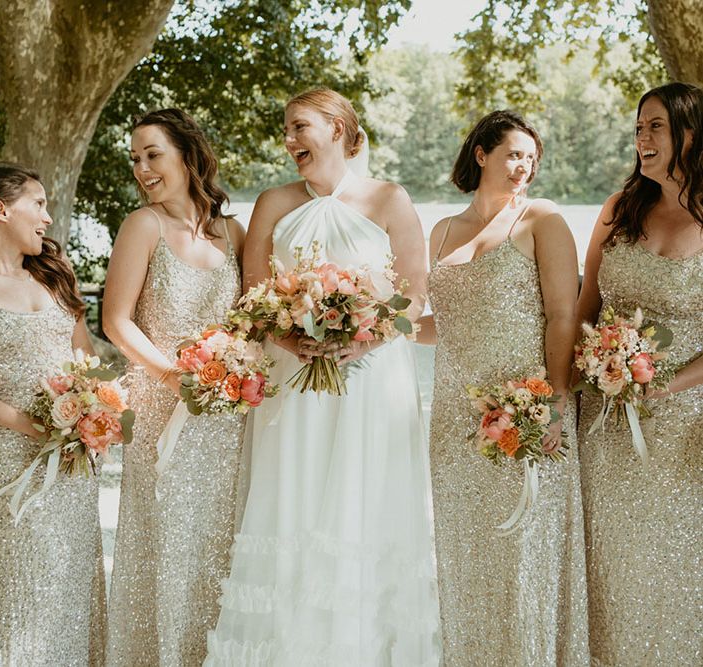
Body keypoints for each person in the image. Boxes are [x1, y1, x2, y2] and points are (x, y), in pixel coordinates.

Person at [203, 88, 440, 665]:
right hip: (293, 373)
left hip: (373, 378)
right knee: (294, 494)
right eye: (285, 130)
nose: (289, 141)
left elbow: (412, 294)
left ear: (338, 128)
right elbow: (254, 292)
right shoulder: (273, 201)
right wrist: (292, 337)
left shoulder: (388, 198)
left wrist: (359, 337)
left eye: (299, 127)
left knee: (367, 497)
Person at [420, 110, 589, 665]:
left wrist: (554, 403)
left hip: (527, 414)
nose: (524, 167)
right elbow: (438, 324)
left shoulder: (541, 219)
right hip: (453, 419)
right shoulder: (441, 231)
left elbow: (563, 316)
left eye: (532, 160)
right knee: (467, 557)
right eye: (514, 154)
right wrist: (369, 327)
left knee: (523, 558)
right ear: (481, 154)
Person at [103, 109, 245, 666]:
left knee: (220, 543)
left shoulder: (233, 232)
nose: (142, 168)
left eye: (152, 154)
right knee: (165, 544)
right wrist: (172, 376)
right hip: (163, 407)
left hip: (226, 416)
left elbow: (251, 319)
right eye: (135, 159)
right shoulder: (143, 226)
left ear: (188, 155)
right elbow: (117, 321)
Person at [576, 81, 703, 664]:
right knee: (606, 558)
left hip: (680, 429)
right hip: (600, 422)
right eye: (638, 127)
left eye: (655, 126)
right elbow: (582, 309)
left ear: (691, 132)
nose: (641, 138)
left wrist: (660, 384)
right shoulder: (618, 209)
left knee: (673, 564)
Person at [0, 163, 106, 665]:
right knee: (27, 590)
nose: (48, 218)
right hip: (13, 459)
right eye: (39, 204)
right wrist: (25, 423)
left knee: (73, 582)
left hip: (75, 457)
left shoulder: (53, 277)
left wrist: (97, 410)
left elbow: (85, 359)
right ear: (2, 210)